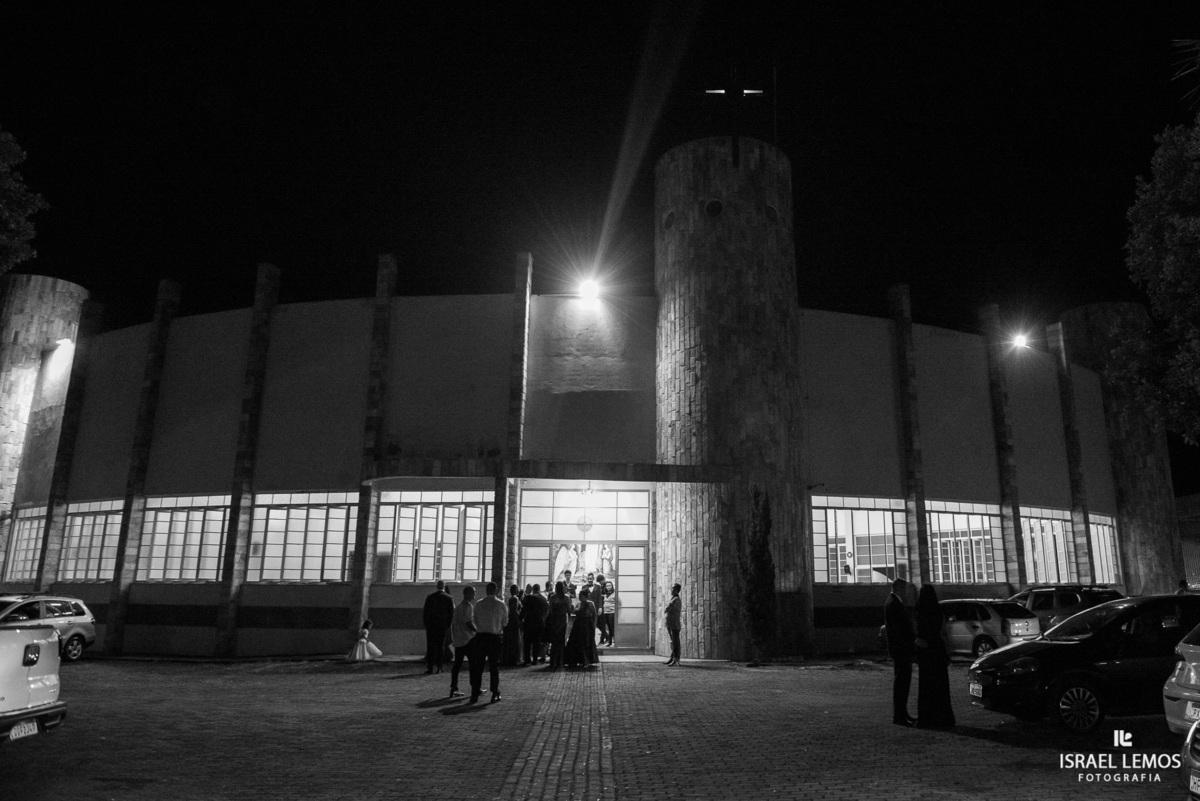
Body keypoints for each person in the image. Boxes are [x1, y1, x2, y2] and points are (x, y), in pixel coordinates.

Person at [914, 583, 956, 728]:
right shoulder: (937, 610)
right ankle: (943, 717)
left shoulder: (919, 610)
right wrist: (947, 652)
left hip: (925, 650)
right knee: (940, 685)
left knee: (926, 685)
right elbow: (943, 632)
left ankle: (927, 718)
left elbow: (916, 631)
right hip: (937, 649)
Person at [884, 578, 916, 726]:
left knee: (902, 683)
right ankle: (900, 716)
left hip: (900, 649)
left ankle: (903, 714)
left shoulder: (892, 602)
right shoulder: (894, 604)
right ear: (899, 589)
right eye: (905, 589)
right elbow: (900, 630)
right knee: (902, 683)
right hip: (901, 650)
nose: (907, 591)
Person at [470, 581, 508, 703]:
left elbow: (474, 620)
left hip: (480, 637)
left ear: (486, 590)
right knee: (494, 667)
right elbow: (505, 623)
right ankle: (494, 692)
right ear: (496, 591)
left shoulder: (479, 604)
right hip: (494, 638)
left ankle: (475, 693)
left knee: (478, 666)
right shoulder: (501, 605)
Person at [448, 586, 477, 699]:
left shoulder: (458, 607)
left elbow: (454, 624)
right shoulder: (468, 606)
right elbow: (468, 622)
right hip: (468, 639)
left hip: (459, 639)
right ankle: (475, 687)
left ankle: (454, 688)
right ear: (468, 594)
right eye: (473, 592)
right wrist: (476, 631)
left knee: (457, 665)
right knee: (473, 664)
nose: (475, 594)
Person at [422, 580, 455, 674]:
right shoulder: (448, 598)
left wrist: (426, 624)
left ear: (436, 586)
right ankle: (439, 667)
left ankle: (430, 667)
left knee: (431, 646)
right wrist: (448, 625)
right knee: (441, 646)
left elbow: (425, 612)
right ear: (444, 586)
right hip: (442, 625)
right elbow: (451, 613)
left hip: (431, 625)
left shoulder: (430, 597)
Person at [564, 587, 599, 667]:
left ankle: (586, 660)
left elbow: (594, 615)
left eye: (581, 595)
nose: (579, 596)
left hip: (587, 624)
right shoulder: (578, 603)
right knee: (577, 642)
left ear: (585, 596)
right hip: (578, 624)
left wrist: (594, 625)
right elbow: (574, 612)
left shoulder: (590, 603)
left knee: (586, 642)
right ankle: (576, 660)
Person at [546, 581, 572, 670]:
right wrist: (570, 621)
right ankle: (560, 662)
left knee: (554, 643)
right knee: (561, 642)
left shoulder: (553, 597)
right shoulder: (566, 598)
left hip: (554, 621)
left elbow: (550, 610)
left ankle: (553, 662)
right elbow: (569, 610)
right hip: (562, 621)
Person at [521, 583, 549, 665]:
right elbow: (547, 609)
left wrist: (521, 617)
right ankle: (535, 659)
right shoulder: (544, 599)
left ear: (533, 589)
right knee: (537, 642)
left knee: (527, 642)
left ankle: (527, 659)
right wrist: (543, 618)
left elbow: (524, 607)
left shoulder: (529, 597)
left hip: (529, 622)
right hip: (539, 623)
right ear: (539, 589)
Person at [501, 584, 524, 667]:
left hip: (512, 620)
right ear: (514, 590)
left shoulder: (512, 598)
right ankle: (515, 658)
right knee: (515, 640)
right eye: (517, 589)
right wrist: (519, 620)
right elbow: (514, 611)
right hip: (514, 621)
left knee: (512, 640)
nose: (518, 591)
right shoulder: (515, 598)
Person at [664, 583, 682, 666]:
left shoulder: (676, 599)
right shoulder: (674, 598)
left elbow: (667, 608)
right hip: (671, 624)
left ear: (677, 590)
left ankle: (676, 659)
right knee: (673, 642)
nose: (671, 590)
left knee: (675, 642)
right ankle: (672, 658)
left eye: (673, 589)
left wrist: (666, 610)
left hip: (674, 624)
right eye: (671, 588)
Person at [599, 580, 616, 646]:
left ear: (612, 586)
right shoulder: (606, 595)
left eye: (609, 586)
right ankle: (610, 642)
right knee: (608, 627)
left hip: (612, 612)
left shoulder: (614, 594)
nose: (608, 587)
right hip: (606, 612)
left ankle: (614, 642)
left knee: (612, 627)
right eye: (607, 586)